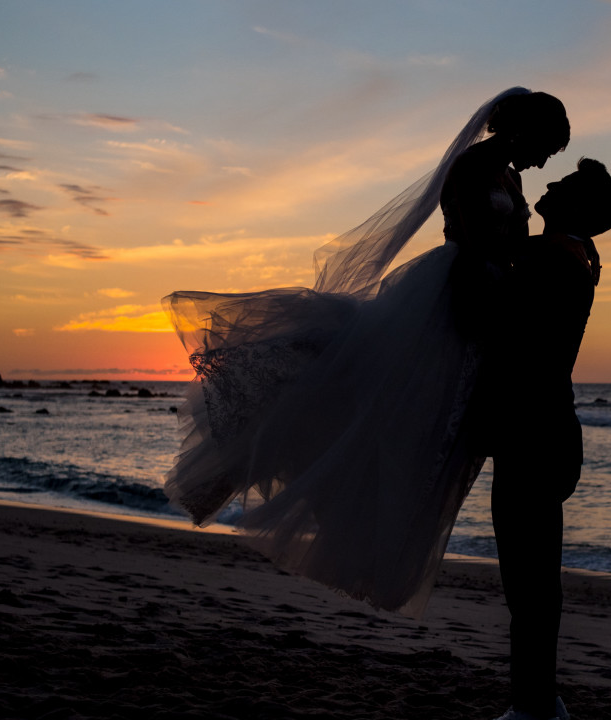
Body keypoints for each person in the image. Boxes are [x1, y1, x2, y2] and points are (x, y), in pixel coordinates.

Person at [161, 88, 570, 618]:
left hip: (489, 297)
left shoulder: (514, 178)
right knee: (379, 405)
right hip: (452, 294)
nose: (541, 161)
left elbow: (511, 247)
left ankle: (381, 539)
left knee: (425, 431)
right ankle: (259, 451)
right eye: (544, 147)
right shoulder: (472, 167)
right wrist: (537, 253)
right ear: (521, 130)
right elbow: (476, 241)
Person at [486, 159, 611, 720]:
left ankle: (536, 706)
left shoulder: (550, 259)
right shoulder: (569, 255)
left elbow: (493, 319)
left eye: (562, 185)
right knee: (532, 585)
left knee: (530, 587)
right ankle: (536, 701)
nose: (547, 186)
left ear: (575, 208)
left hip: (535, 437)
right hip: (545, 433)